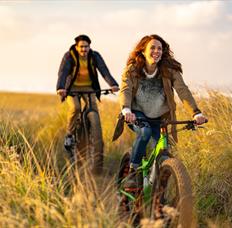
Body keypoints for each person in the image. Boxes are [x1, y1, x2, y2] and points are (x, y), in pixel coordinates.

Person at [119, 34, 207, 187]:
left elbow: (183, 91)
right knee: (144, 133)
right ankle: (133, 171)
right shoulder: (132, 70)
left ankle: (157, 194)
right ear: (142, 51)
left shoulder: (169, 70)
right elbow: (125, 90)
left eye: (159, 48)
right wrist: (126, 110)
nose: (156, 51)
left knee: (162, 151)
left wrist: (196, 112)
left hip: (160, 117)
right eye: (152, 48)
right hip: (136, 115)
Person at [56, 34, 119, 161]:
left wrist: (113, 84)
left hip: (89, 88)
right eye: (81, 47)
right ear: (76, 46)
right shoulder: (69, 56)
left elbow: (104, 71)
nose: (84, 49)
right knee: (75, 108)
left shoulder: (95, 56)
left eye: (86, 47)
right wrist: (60, 87)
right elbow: (63, 72)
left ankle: (93, 135)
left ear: (90, 47)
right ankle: (69, 135)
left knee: (93, 109)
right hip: (72, 88)